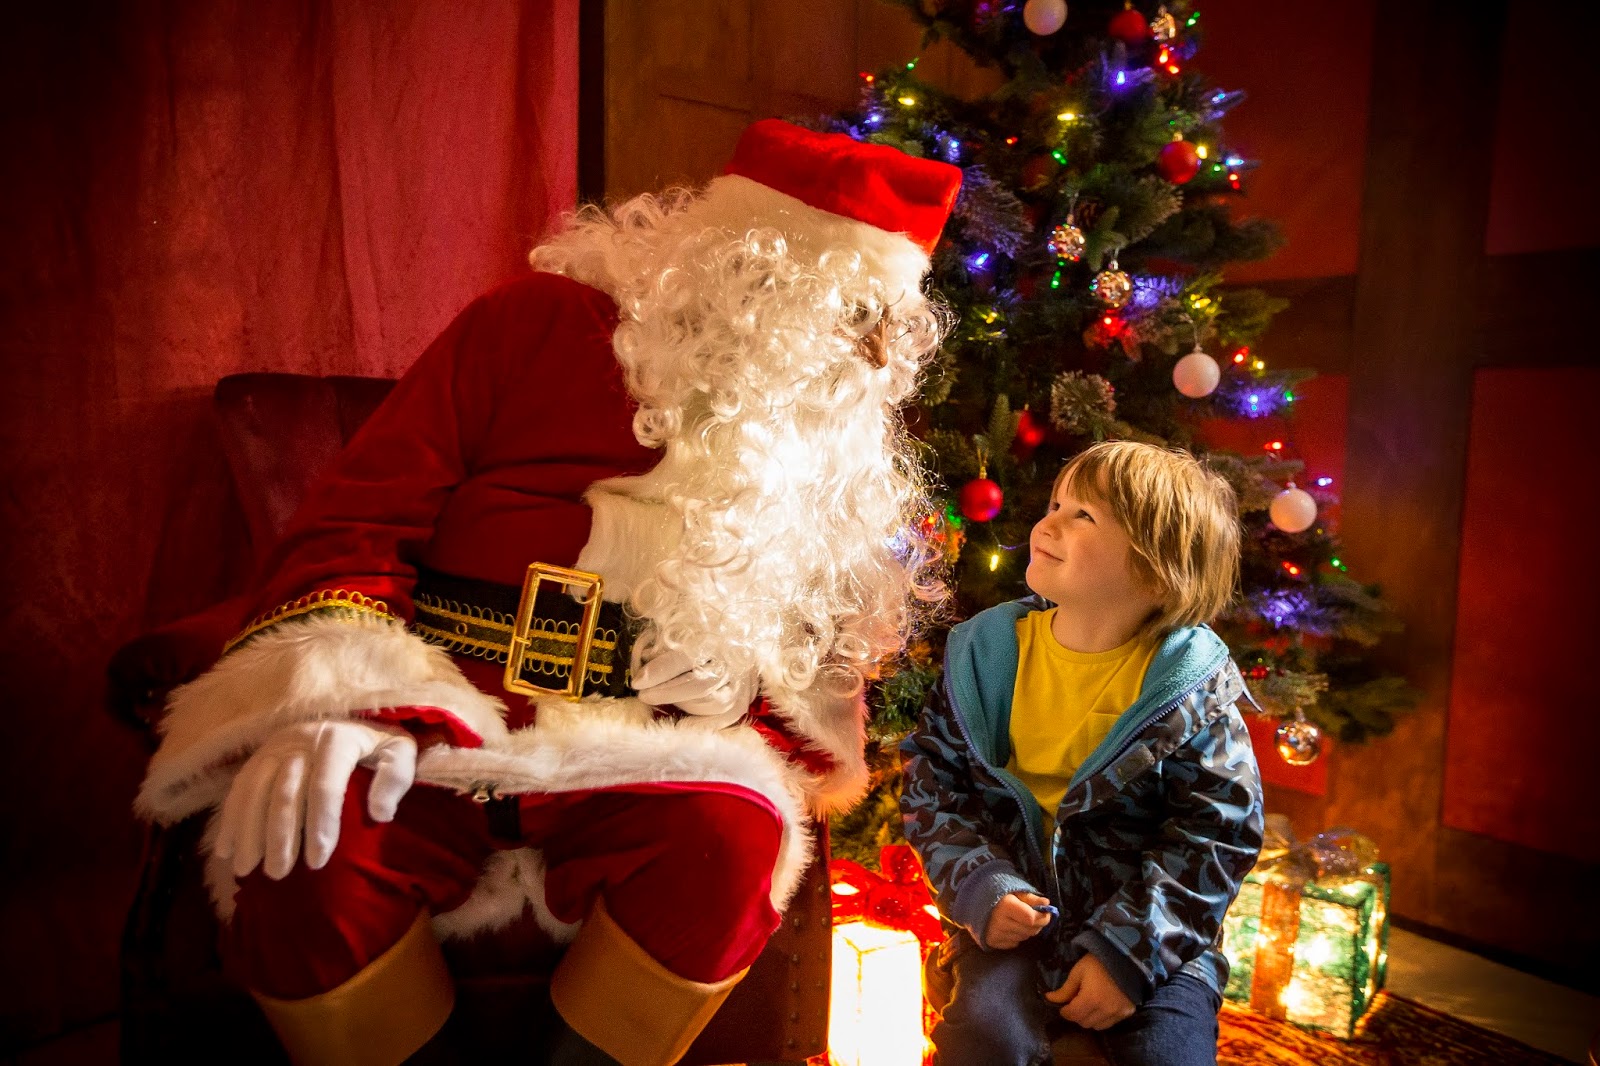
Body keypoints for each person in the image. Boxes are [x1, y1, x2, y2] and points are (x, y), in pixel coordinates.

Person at [134, 119, 962, 1066]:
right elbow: (353, 523)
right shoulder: (532, 324)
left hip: (649, 755)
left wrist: (743, 699)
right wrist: (344, 700)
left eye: (877, 319)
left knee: (729, 844)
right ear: (743, 264)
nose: (860, 347)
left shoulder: (827, 439)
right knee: (304, 858)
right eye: (836, 306)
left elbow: (813, 689)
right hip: (440, 722)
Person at [900, 440, 1266, 1066]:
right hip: (1014, 923)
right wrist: (982, 887)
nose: (1048, 523)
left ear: (1156, 568)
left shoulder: (1188, 686)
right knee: (982, 1038)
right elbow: (933, 788)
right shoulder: (985, 657)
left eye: (1083, 516)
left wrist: (1130, 953)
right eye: (1055, 504)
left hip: (1154, 935)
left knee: (1169, 1056)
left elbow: (1216, 833)